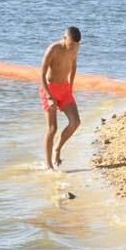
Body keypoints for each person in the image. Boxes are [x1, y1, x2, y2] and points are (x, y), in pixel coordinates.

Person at [39, 26, 82, 170]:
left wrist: (71, 87)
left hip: (65, 89)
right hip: (50, 89)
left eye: (75, 45)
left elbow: (74, 66)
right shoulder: (53, 49)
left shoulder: (75, 48)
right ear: (64, 38)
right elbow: (42, 75)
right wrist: (49, 97)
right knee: (53, 128)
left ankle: (58, 148)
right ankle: (49, 165)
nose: (72, 48)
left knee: (75, 122)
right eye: (70, 44)